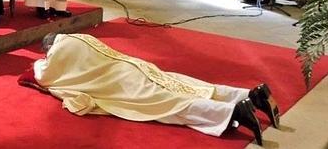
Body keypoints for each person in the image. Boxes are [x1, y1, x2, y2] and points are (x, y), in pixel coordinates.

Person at [19, 33, 281, 146]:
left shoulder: (57, 54)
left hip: (124, 83)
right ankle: (249, 95)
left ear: (48, 48)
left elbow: (39, 76)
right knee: (189, 85)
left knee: (170, 104)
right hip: (138, 67)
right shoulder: (81, 37)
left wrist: (40, 61)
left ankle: (232, 112)